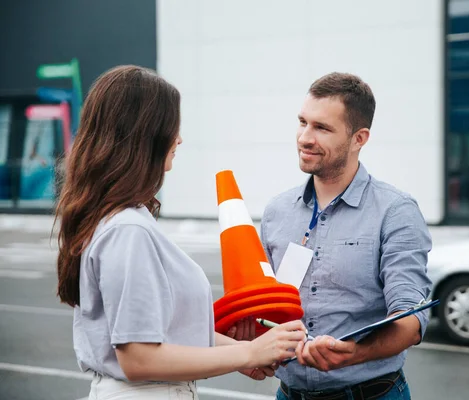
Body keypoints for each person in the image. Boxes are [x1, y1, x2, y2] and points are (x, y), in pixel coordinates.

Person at [55, 65, 307, 400]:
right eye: (173, 126)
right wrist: (248, 353)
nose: (180, 138)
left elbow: (165, 334)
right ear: (148, 135)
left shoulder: (123, 219)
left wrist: (243, 352)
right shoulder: (128, 229)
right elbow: (139, 358)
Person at [260, 72, 433, 399]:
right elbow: (263, 306)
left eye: (322, 128)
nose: (304, 138)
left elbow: (411, 320)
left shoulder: (395, 211)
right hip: (288, 393)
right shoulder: (276, 211)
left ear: (359, 138)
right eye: (302, 122)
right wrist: (253, 349)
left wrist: (357, 353)